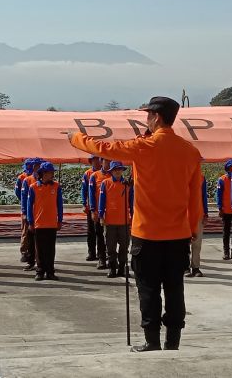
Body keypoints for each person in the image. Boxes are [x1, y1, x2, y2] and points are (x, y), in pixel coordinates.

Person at [68, 96, 202, 352]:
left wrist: (76, 138)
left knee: (148, 287)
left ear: (157, 117)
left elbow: (106, 149)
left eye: (148, 115)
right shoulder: (190, 152)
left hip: (147, 234)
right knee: (175, 288)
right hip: (178, 235)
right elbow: (194, 197)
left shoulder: (145, 147)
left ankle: (151, 341)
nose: (146, 120)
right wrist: (193, 229)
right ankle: (172, 342)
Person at [26, 161, 63, 281]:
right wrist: (30, 222)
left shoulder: (56, 186)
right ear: (42, 174)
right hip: (39, 223)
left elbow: (60, 204)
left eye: (52, 173)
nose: (51, 175)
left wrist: (60, 220)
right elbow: (29, 205)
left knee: (51, 249)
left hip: (52, 223)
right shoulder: (33, 187)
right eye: (49, 173)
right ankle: (40, 271)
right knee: (40, 249)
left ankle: (50, 271)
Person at [98, 160, 133, 278]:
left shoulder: (127, 184)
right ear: (112, 171)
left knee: (124, 247)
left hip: (124, 221)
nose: (118, 171)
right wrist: (101, 215)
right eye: (115, 169)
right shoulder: (105, 183)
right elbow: (101, 200)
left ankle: (122, 268)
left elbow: (132, 202)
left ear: (122, 170)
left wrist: (132, 217)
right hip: (110, 221)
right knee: (110, 247)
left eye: (120, 169)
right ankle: (113, 268)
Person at [20, 158, 42, 271]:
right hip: (30, 214)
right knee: (30, 238)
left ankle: (41, 263)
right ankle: (30, 261)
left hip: (41, 215)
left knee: (41, 240)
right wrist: (25, 213)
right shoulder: (27, 180)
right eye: (39, 166)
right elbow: (24, 198)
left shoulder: (46, 181)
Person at [87, 159, 110, 270]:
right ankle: (101, 259)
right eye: (107, 161)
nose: (109, 163)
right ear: (102, 162)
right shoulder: (94, 176)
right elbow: (90, 194)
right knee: (99, 235)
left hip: (112, 213)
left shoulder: (116, 175)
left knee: (111, 237)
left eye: (110, 160)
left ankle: (111, 259)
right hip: (98, 211)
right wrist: (92, 210)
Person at [216, 159, 232, 260]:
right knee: (226, 232)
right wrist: (220, 208)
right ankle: (226, 252)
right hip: (226, 210)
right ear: (228, 168)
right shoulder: (222, 179)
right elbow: (219, 195)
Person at [82, 155, 103, 262]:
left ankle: (101, 254)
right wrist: (84, 204)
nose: (97, 161)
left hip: (102, 208)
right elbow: (84, 190)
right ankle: (92, 253)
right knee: (91, 231)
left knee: (100, 232)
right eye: (95, 160)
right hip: (91, 207)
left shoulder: (105, 173)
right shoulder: (88, 174)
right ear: (91, 161)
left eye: (98, 159)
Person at [187, 172, 209, 278]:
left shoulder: (201, 177)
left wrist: (206, 213)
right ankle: (184, 266)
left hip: (198, 213)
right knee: (183, 242)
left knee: (197, 242)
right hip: (183, 214)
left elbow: (204, 196)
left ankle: (195, 267)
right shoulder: (178, 174)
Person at [16, 158, 36, 263]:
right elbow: (18, 192)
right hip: (25, 208)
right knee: (25, 231)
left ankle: (35, 253)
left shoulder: (37, 178)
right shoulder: (22, 178)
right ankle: (24, 252)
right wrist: (24, 206)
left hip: (36, 209)